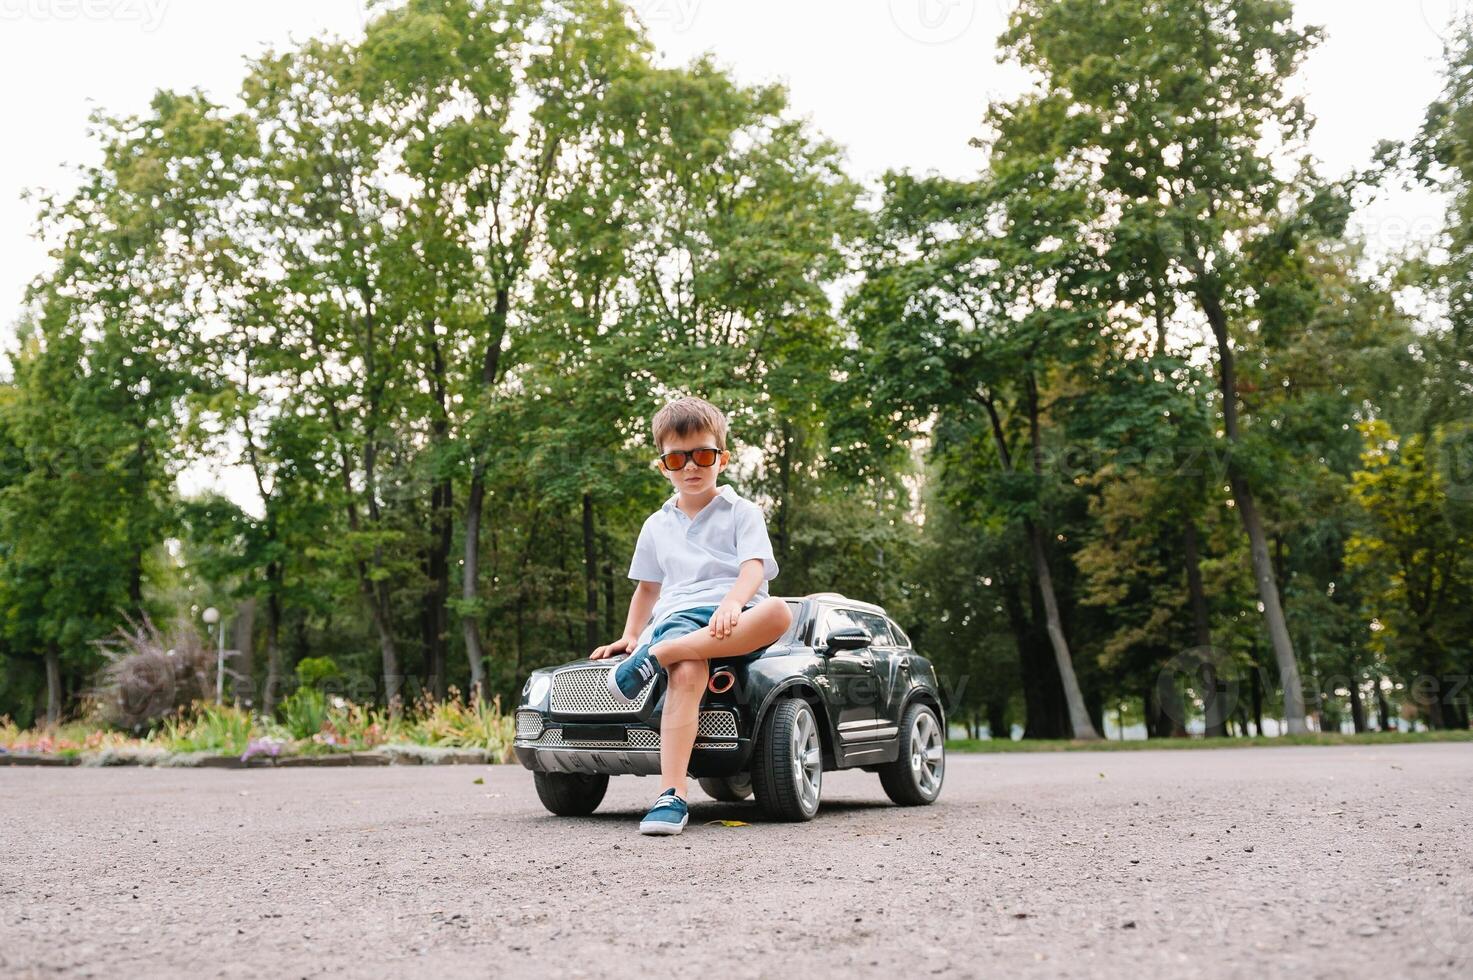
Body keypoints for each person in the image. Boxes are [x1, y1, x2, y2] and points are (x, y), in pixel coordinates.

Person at [590, 396, 792, 836]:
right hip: (680, 616)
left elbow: (753, 568)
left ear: (723, 457)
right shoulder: (656, 524)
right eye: (677, 458)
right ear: (662, 465)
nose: (690, 467)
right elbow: (647, 588)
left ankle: (658, 655)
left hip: (736, 617)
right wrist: (630, 635)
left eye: (702, 455)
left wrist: (733, 604)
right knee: (686, 672)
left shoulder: (743, 511)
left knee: (778, 611)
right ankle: (672, 796)